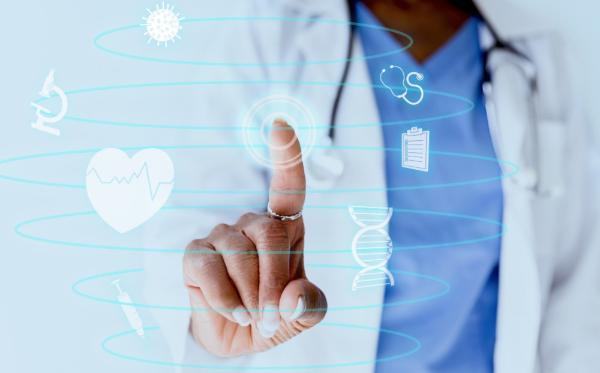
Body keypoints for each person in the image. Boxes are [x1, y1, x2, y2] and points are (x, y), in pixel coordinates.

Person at [143, 0, 600, 372]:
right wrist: (212, 310)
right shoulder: (271, 33)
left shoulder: (538, 54)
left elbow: (575, 287)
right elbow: (195, 229)